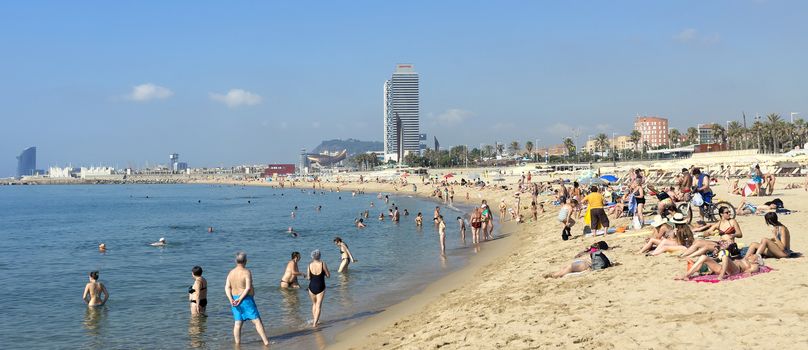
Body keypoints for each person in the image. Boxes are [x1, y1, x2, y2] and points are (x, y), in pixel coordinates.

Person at [225, 252, 270, 346]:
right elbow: (248, 288)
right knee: (257, 321)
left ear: (235, 261)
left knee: (238, 323)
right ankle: (266, 342)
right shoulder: (246, 272)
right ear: (245, 261)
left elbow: (227, 287)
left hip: (234, 299)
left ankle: (237, 344)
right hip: (245, 299)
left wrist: (231, 300)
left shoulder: (231, 272)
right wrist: (240, 299)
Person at [677, 251, 762, 280]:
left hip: (735, 270)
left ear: (757, 259)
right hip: (723, 268)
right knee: (703, 257)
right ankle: (687, 275)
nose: (751, 254)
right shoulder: (745, 259)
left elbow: (749, 271)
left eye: (754, 255)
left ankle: (721, 276)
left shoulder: (755, 265)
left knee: (725, 256)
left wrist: (749, 271)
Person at [306, 249, 330, 327]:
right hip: (320, 287)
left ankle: (315, 319)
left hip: (311, 287)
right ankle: (315, 323)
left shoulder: (309, 265)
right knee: (318, 305)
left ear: (312, 257)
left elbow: (308, 278)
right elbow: (328, 275)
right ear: (319, 255)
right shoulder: (322, 263)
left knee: (314, 304)